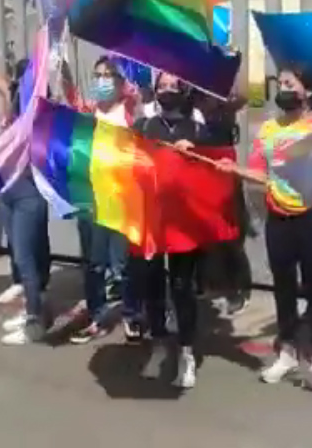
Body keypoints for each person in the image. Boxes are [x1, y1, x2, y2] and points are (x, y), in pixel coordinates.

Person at [220, 68, 312, 391]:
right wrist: (235, 170)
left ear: (307, 91)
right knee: (283, 287)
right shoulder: (268, 129)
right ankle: (286, 350)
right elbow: (260, 173)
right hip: (278, 219)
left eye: (290, 84)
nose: (283, 89)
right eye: (280, 84)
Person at [131, 72, 208, 389]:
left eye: (173, 85)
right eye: (161, 86)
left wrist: (195, 151)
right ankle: (159, 343)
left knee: (181, 287)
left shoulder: (199, 129)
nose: (167, 91)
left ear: (185, 89)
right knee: (150, 283)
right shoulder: (144, 127)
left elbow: (215, 167)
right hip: (151, 218)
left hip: (185, 222)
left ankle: (187, 353)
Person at [62, 57, 139, 344]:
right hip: (90, 199)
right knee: (94, 264)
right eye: (98, 75)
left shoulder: (130, 112)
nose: (103, 80)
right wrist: (65, 65)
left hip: (121, 200)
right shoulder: (88, 112)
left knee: (124, 264)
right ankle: (96, 317)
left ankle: (132, 315)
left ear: (121, 83)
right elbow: (69, 94)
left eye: (109, 75)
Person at [0, 58, 52, 307]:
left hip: (30, 191)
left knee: (26, 254)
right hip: (8, 191)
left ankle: (34, 314)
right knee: (20, 252)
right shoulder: (11, 114)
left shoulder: (43, 116)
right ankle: (32, 303)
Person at [193, 91, 252, 316]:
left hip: (223, 169)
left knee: (230, 234)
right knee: (201, 232)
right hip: (197, 170)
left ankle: (237, 290)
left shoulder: (223, 105)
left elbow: (242, 97)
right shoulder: (188, 101)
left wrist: (218, 98)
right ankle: (207, 284)